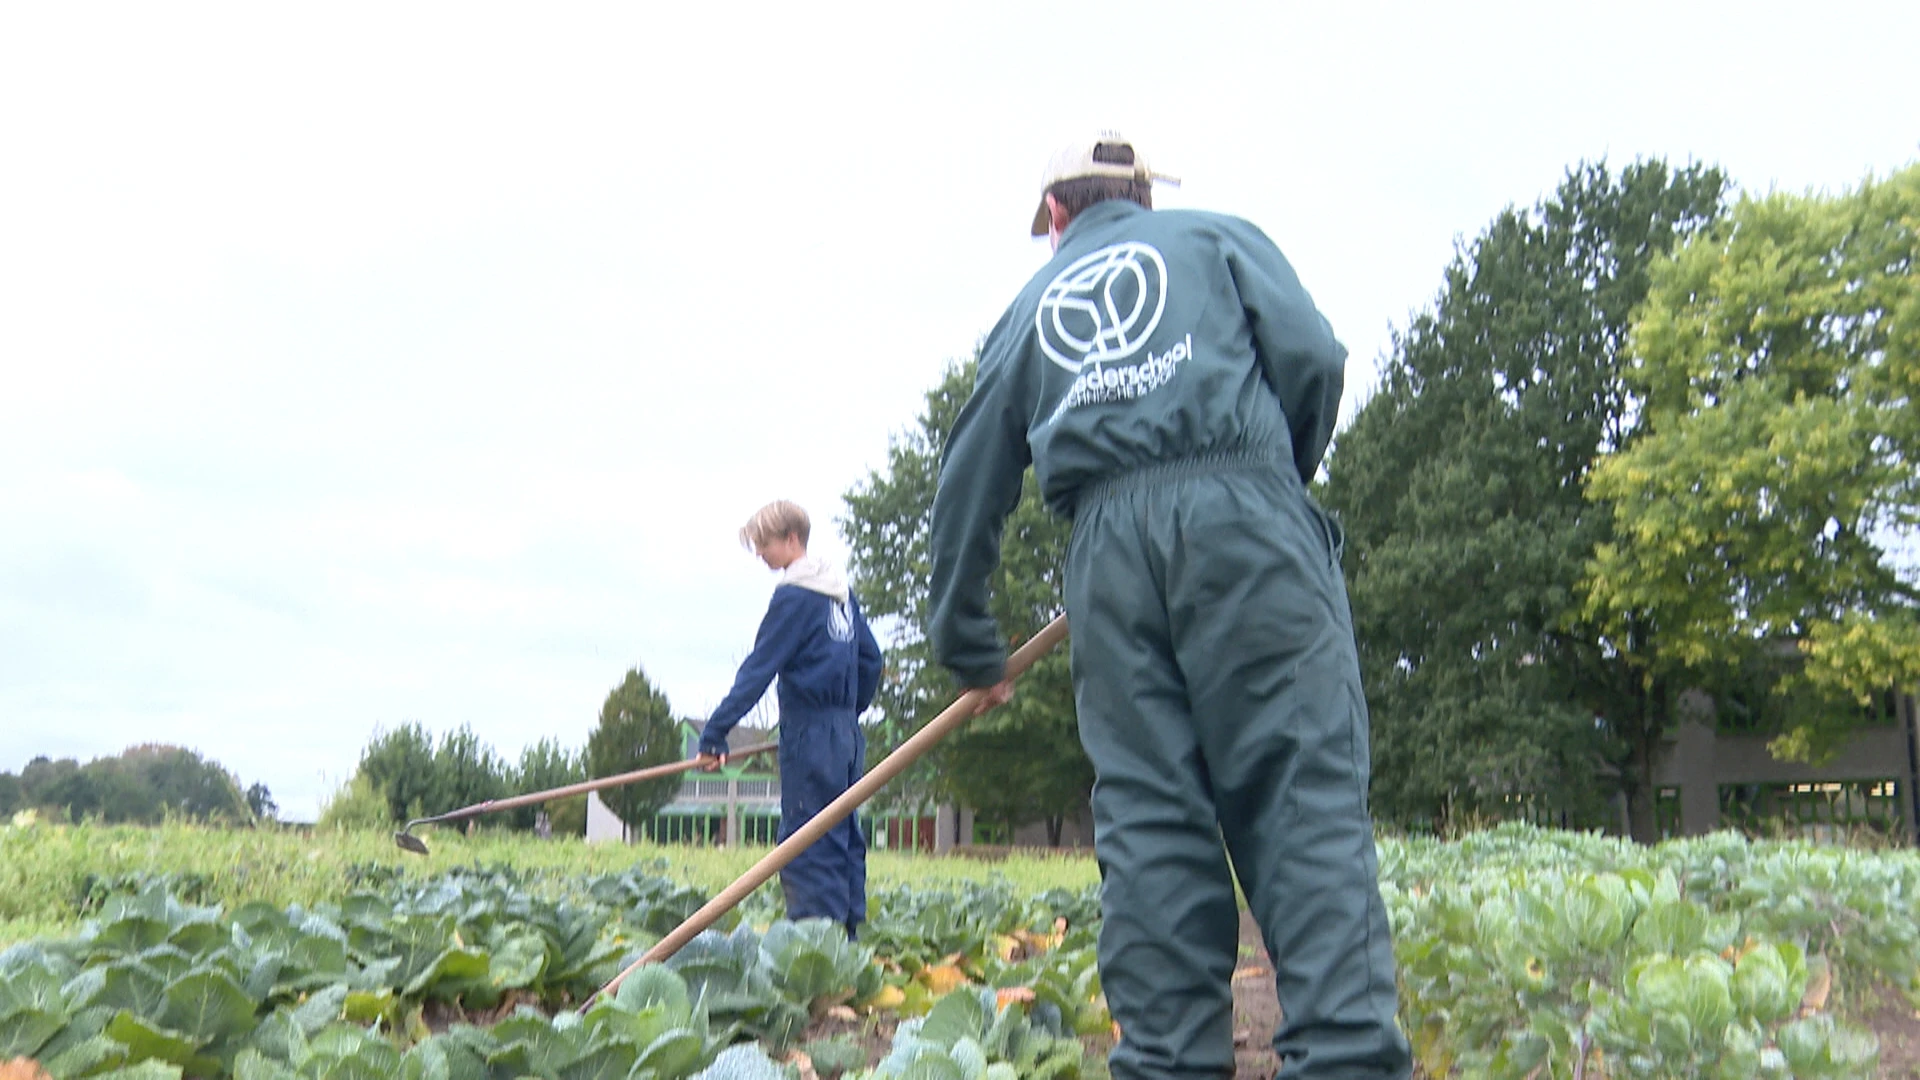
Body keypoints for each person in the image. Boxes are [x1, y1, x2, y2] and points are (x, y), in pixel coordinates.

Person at [926, 132, 1411, 1079]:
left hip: (1107, 559)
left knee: (1151, 824)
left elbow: (967, 484)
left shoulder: (1030, 308)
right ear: (1142, 197)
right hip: (1252, 524)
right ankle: (1347, 1059)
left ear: (1055, 216)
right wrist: (1271, 486)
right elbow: (1313, 356)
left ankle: (1168, 1065)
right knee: (1298, 790)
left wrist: (969, 645)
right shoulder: (1220, 239)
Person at [695, 500, 883, 939]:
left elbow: (759, 668)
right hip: (846, 736)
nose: (760, 554)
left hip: (811, 732)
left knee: (808, 838)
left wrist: (715, 733)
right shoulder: (840, 591)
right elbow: (871, 660)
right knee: (844, 834)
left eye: (764, 544)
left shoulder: (795, 596)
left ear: (792, 539)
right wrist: (847, 714)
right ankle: (848, 940)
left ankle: (816, 946)